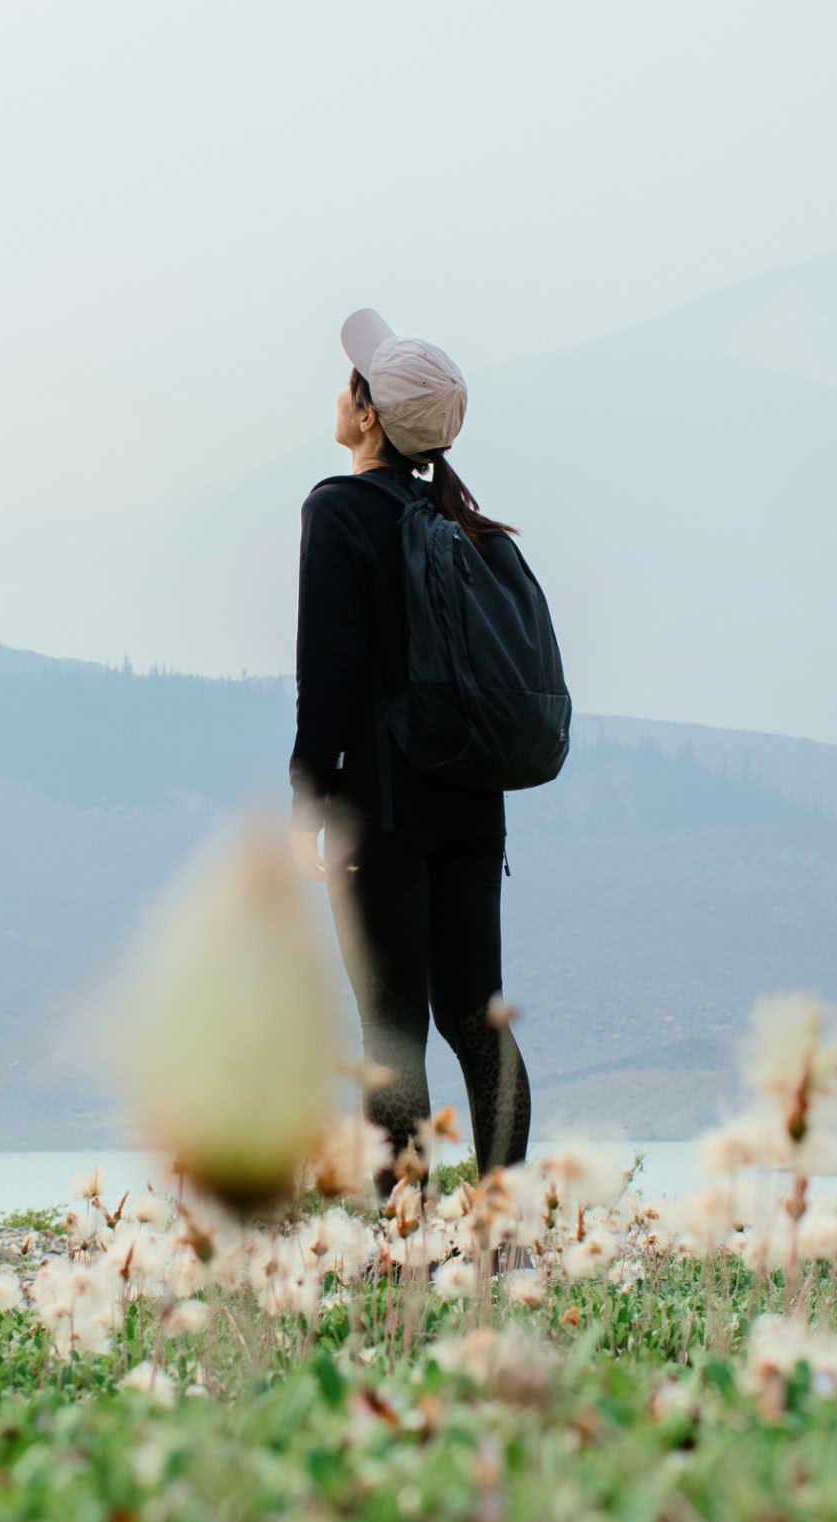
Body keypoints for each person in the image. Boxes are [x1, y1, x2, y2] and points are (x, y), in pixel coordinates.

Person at [288, 308, 530, 1181]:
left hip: (381, 811)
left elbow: (329, 675)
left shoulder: (339, 509)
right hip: (472, 801)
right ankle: (503, 1227)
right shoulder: (456, 518)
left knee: (390, 1027)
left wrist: (306, 802)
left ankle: (400, 1242)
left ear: (367, 415)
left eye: (352, 382)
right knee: (476, 1017)